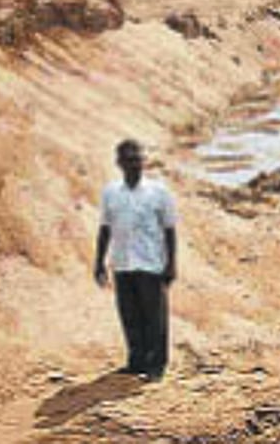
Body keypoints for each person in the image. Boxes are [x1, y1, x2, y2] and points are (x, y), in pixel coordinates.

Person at [93, 139, 178, 382]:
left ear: (144, 161)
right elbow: (105, 228)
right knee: (129, 315)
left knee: (155, 317)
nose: (134, 164)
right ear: (119, 163)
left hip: (151, 264)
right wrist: (99, 262)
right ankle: (136, 361)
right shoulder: (110, 193)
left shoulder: (159, 192)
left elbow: (169, 230)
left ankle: (157, 366)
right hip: (122, 263)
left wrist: (171, 264)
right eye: (128, 159)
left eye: (138, 159)